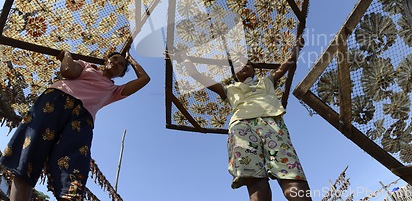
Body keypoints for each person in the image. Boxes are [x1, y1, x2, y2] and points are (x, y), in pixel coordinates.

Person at [0, 49, 150, 201]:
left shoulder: (114, 91)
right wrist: (67, 55)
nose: (116, 63)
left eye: (121, 65)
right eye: (114, 59)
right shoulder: (86, 66)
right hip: (55, 101)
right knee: (30, 155)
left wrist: (130, 59)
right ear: (106, 61)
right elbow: (67, 71)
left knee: (74, 165)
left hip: (82, 118)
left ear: (121, 75)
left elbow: (144, 79)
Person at [177, 38, 312, 201]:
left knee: (290, 172)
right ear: (234, 74)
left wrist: (297, 47)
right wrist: (183, 57)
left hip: (272, 123)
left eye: (247, 64)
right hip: (242, 127)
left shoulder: (267, 81)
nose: (244, 67)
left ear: (254, 69)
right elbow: (196, 74)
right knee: (254, 179)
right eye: (238, 66)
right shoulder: (229, 89)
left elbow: (287, 63)